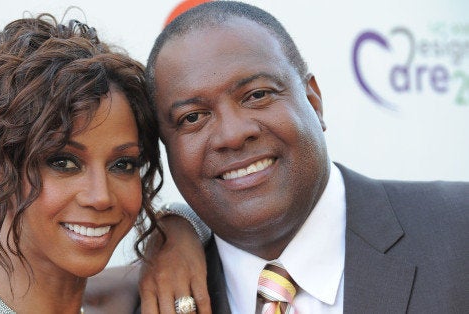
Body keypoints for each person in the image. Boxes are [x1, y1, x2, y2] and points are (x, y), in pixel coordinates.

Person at [134, 1, 469, 313]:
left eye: (257, 95)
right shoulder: (136, 300)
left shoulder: (458, 230)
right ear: (165, 148)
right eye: (192, 117)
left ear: (314, 101)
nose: (233, 134)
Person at [0, 13, 162, 313]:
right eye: (64, 162)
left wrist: (183, 229)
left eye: (123, 164)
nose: (101, 197)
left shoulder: (135, 297)